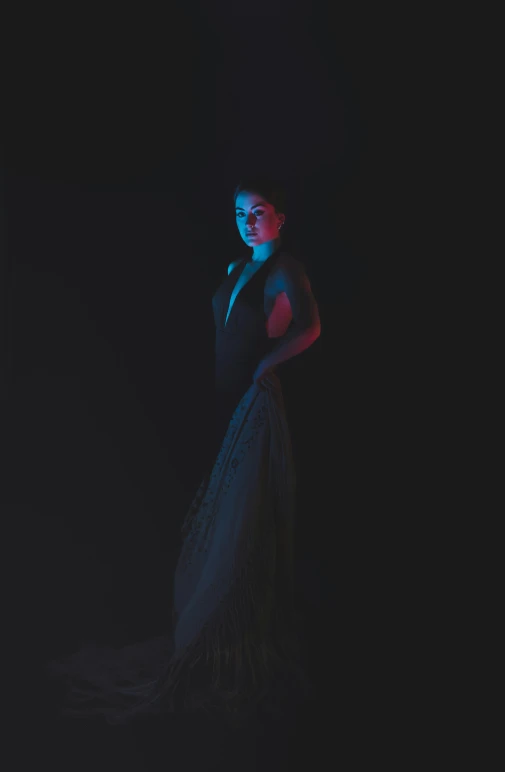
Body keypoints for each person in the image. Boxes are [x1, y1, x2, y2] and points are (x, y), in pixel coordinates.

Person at [46, 175, 321, 722]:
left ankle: (230, 638)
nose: (247, 221)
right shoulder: (234, 268)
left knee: (242, 523)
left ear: (280, 219)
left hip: (254, 401)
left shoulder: (284, 268)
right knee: (220, 516)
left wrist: (269, 364)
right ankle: (205, 629)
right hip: (226, 400)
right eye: (240, 213)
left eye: (259, 212)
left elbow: (311, 327)